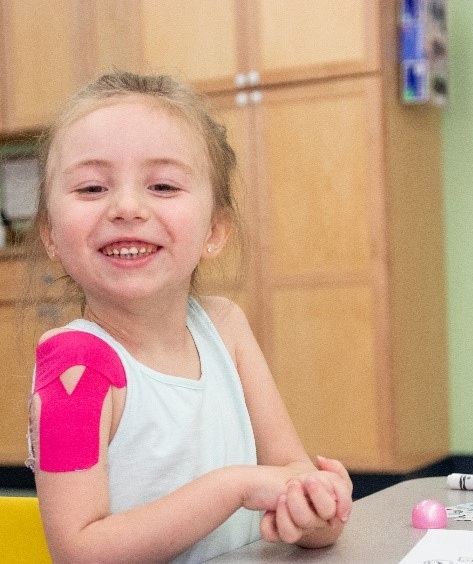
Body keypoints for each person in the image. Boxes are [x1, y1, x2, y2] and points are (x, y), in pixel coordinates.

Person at [26, 71, 352, 563]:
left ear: (215, 231)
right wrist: (234, 487)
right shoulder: (74, 365)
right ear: (51, 234)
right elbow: (78, 551)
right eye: (92, 188)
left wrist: (315, 505)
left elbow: (291, 479)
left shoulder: (226, 327)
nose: (126, 207)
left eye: (162, 185)